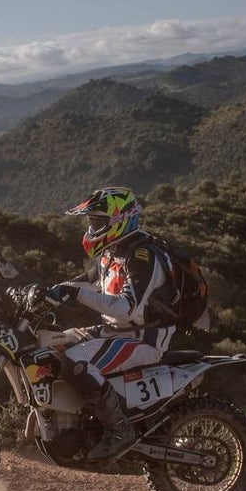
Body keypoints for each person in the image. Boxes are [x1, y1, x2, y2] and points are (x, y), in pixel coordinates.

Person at [46, 186, 176, 463]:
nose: (93, 228)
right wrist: (49, 291)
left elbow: (127, 309)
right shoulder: (113, 251)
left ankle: (119, 430)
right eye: (92, 222)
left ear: (120, 221)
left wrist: (75, 294)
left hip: (143, 338)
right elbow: (89, 279)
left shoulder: (143, 256)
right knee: (49, 346)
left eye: (99, 222)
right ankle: (72, 423)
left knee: (75, 361)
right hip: (114, 331)